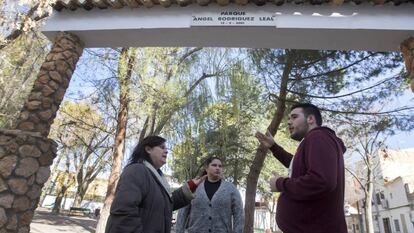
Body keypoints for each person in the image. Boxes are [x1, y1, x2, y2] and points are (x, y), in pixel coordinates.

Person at [255, 103, 347, 233]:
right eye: (288, 119)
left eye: (294, 117)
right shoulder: (314, 140)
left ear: (310, 119)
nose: (289, 122)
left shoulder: (318, 137)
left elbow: (321, 181)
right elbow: (296, 164)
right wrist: (273, 147)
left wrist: (280, 183)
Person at [105, 135, 206, 233]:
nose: (166, 151)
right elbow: (124, 212)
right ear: (148, 149)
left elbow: (165, 205)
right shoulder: (137, 170)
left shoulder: (156, 177)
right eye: (162, 147)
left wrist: (191, 186)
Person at [176, 156, 244, 233]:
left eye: (220, 166)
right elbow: (183, 212)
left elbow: (239, 214)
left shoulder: (231, 189)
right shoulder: (195, 187)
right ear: (206, 168)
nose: (217, 168)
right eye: (214, 165)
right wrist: (179, 231)